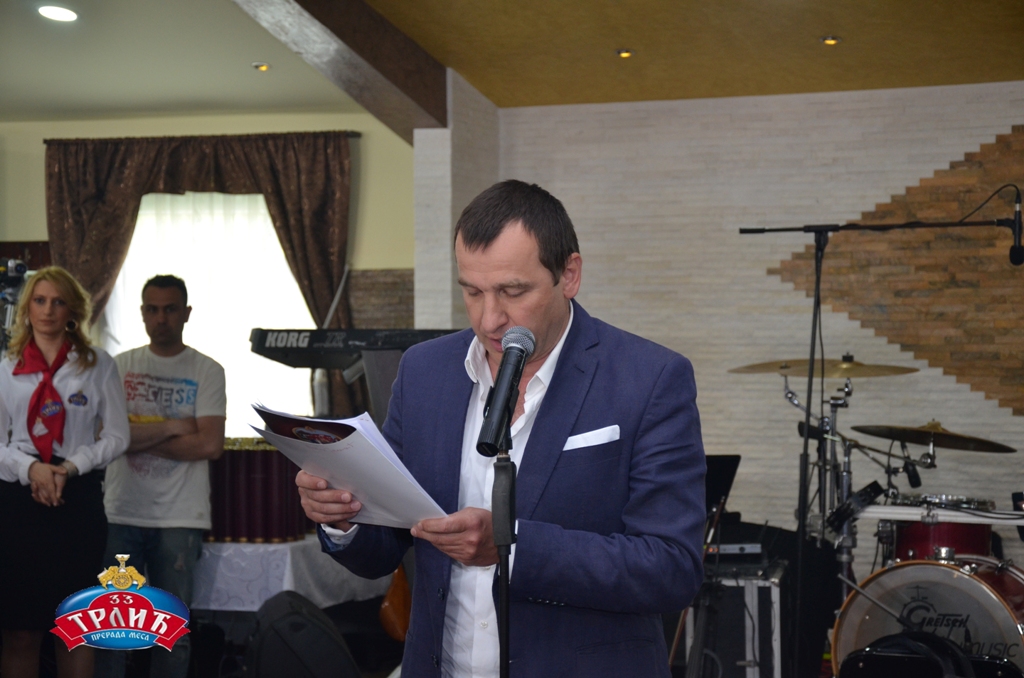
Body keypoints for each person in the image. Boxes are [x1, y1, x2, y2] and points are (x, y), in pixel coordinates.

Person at [297, 180, 707, 677]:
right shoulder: (424, 371)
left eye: (513, 291)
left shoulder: (650, 378)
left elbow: (671, 569)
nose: (490, 318)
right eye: (472, 291)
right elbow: (385, 545)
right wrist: (343, 517)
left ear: (569, 275)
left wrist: (512, 546)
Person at [0, 266, 130, 678]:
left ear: (73, 311)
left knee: (75, 629)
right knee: (20, 631)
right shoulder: (6, 366)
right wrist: (31, 468)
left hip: (77, 497)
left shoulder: (98, 365)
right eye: (39, 301)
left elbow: (118, 436)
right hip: (18, 502)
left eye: (58, 302)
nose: (48, 310)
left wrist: (69, 468)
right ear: (26, 309)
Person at [96, 275, 226, 678]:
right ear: (142, 313)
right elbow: (104, 438)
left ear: (186, 313)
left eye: (170, 309)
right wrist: (172, 427)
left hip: (180, 518)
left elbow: (209, 445)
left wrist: (132, 437)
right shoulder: (118, 366)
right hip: (120, 512)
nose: (161, 318)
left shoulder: (207, 370)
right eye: (152, 309)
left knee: (171, 632)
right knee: (109, 628)